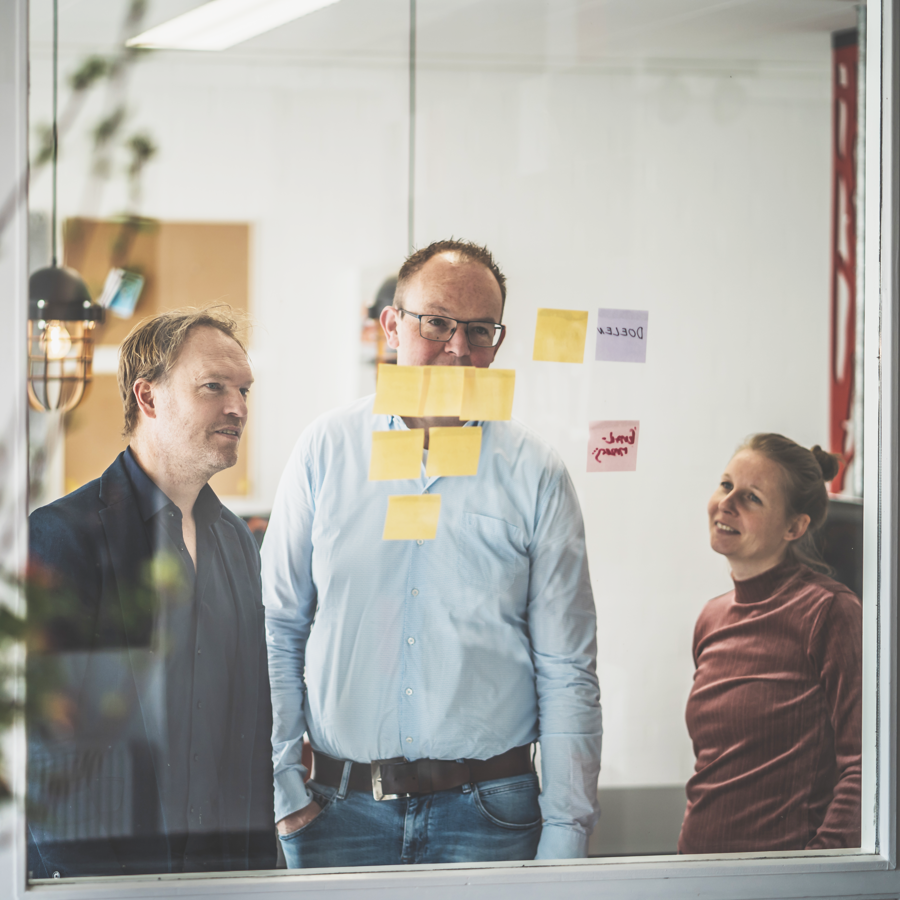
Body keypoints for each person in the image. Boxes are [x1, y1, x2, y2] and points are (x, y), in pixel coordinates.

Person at [263, 239, 602, 867]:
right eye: (437, 322)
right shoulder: (326, 451)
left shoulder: (534, 472)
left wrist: (567, 834)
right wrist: (282, 788)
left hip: (491, 817)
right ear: (391, 325)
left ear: (497, 345)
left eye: (479, 331)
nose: (457, 348)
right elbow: (278, 627)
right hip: (338, 812)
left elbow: (567, 667)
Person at [27, 307, 276, 877]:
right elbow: (46, 750)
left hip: (222, 875)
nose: (237, 407)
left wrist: (260, 874)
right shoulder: (61, 535)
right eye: (213, 387)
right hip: (109, 879)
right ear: (148, 397)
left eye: (242, 389)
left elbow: (249, 726)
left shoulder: (236, 540)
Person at [678, 433, 862, 853]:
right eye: (726, 485)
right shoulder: (712, 617)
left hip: (782, 878)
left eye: (752, 498)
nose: (727, 503)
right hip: (697, 868)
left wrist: (821, 869)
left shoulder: (830, 611)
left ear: (795, 527)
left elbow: (862, 766)